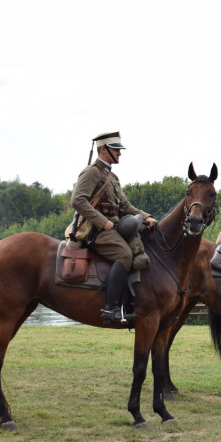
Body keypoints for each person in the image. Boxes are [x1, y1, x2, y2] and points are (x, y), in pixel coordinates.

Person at [70, 131, 157, 324]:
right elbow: (77, 200)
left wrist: (146, 217)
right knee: (124, 255)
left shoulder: (112, 176)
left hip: (113, 227)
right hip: (97, 230)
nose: (120, 154)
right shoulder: (92, 172)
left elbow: (125, 206)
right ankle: (110, 308)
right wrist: (103, 221)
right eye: (116, 150)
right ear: (103, 149)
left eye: (119, 150)